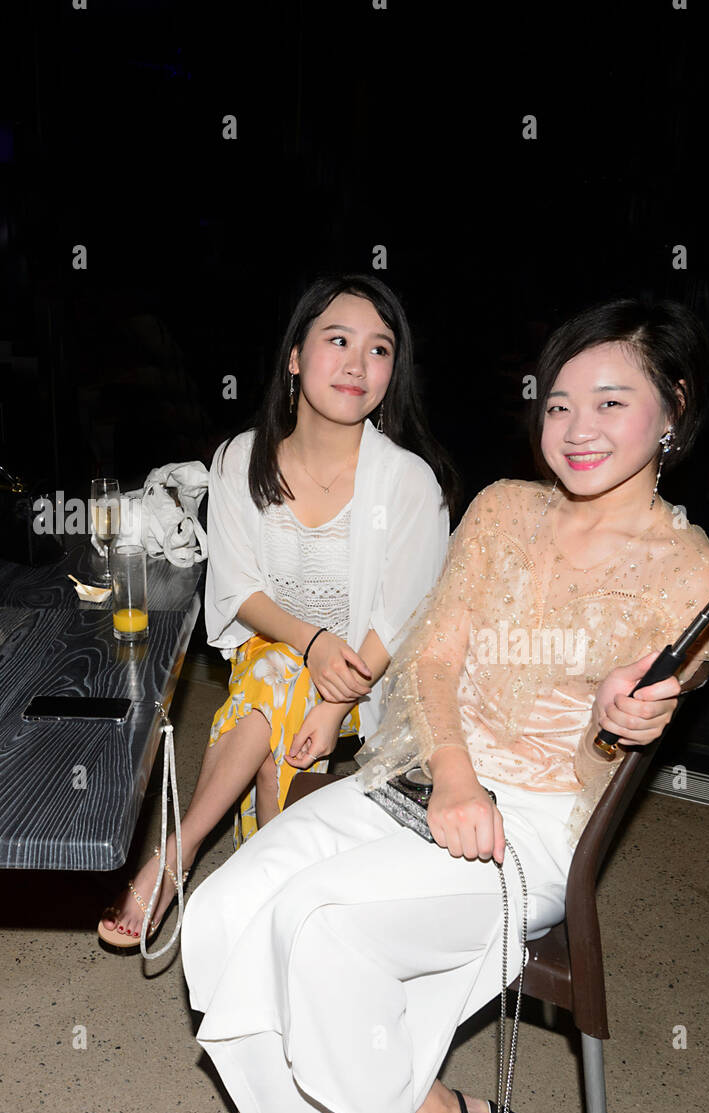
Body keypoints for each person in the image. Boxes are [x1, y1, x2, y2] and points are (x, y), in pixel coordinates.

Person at [180, 297, 709, 1113]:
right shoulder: (503, 509)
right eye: (560, 403)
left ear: (673, 413)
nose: (576, 428)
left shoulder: (692, 577)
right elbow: (432, 657)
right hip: (420, 774)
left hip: (525, 831)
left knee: (321, 934)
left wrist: (632, 706)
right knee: (220, 916)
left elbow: (651, 693)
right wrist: (456, 775)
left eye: (612, 402)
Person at [98, 274, 455, 951]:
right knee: (277, 696)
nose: (356, 363)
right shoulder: (240, 458)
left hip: (374, 668)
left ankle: (178, 856)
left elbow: (406, 613)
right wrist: (311, 644)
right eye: (338, 340)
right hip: (279, 649)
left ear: (392, 372)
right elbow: (238, 590)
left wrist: (331, 697)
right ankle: (277, 909)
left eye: (379, 350)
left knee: (279, 703)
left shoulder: (407, 481)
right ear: (295, 356)